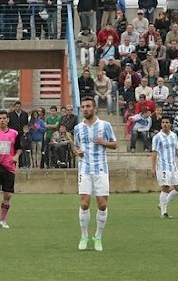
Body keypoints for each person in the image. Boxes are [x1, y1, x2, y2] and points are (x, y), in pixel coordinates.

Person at [74, 97, 118, 252]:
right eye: (83, 107)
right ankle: (84, 235)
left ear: (94, 108)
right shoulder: (78, 128)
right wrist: (77, 152)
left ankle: (98, 237)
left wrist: (103, 142)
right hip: (84, 169)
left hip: (101, 168)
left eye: (88, 106)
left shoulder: (105, 126)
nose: (85, 109)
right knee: (85, 203)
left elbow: (115, 144)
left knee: (103, 204)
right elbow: (76, 146)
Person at [151, 116, 178, 219]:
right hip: (163, 166)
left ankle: (163, 203)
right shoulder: (157, 137)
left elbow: (177, 150)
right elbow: (154, 153)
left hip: (173, 166)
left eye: (167, 122)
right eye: (163, 122)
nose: (165, 124)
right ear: (161, 124)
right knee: (165, 188)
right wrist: (153, 167)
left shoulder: (174, 135)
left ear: (170, 124)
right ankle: (163, 212)